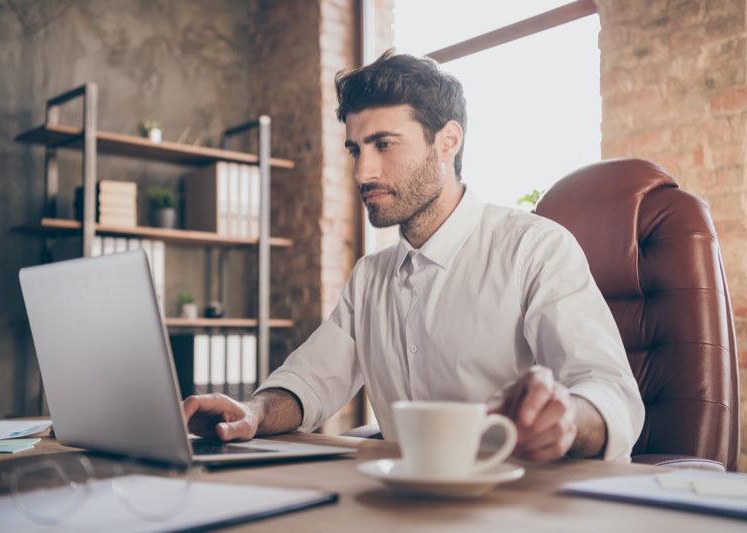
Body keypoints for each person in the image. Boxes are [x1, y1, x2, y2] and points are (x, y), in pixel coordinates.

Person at [184, 50, 645, 463]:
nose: (363, 172)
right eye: (355, 150)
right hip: (408, 502)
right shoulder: (369, 277)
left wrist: (569, 416)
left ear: (448, 141)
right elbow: (310, 381)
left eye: (384, 144)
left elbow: (611, 393)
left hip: (524, 505)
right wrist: (253, 412)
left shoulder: (535, 249)